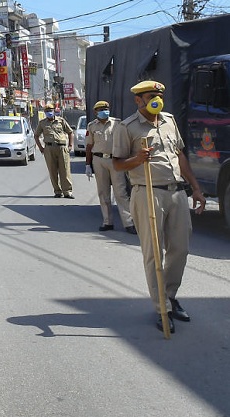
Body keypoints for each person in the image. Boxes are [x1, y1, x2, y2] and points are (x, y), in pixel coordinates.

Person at [112, 80, 205, 334]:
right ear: (138, 100)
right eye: (151, 96)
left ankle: (170, 296)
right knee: (154, 253)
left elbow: (180, 155)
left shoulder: (169, 121)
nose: (157, 100)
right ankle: (161, 308)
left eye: (159, 95)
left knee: (180, 249)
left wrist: (195, 187)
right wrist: (137, 159)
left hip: (176, 193)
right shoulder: (127, 127)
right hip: (147, 194)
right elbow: (118, 164)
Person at [85, 100, 136, 234]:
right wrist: (87, 165)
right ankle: (107, 222)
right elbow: (89, 146)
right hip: (98, 160)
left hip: (115, 160)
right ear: (95, 112)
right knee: (103, 192)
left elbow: (126, 142)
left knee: (121, 192)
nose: (104, 111)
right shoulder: (91, 126)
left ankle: (129, 223)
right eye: (101, 109)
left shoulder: (118, 123)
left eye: (106, 108)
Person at [34, 102, 74, 198]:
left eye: (50, 111)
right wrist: (41, 148)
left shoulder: (61, 121)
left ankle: (67, 191)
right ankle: (57, 191)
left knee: (65, 170)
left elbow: (70, 132)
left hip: (62, 148)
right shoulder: (42, 123)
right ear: (44, 112)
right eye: (47, 111)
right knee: (52, 171)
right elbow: (36, 135)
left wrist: (70, 146)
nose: (49, 113)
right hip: (49, 148)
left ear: (54, 111)